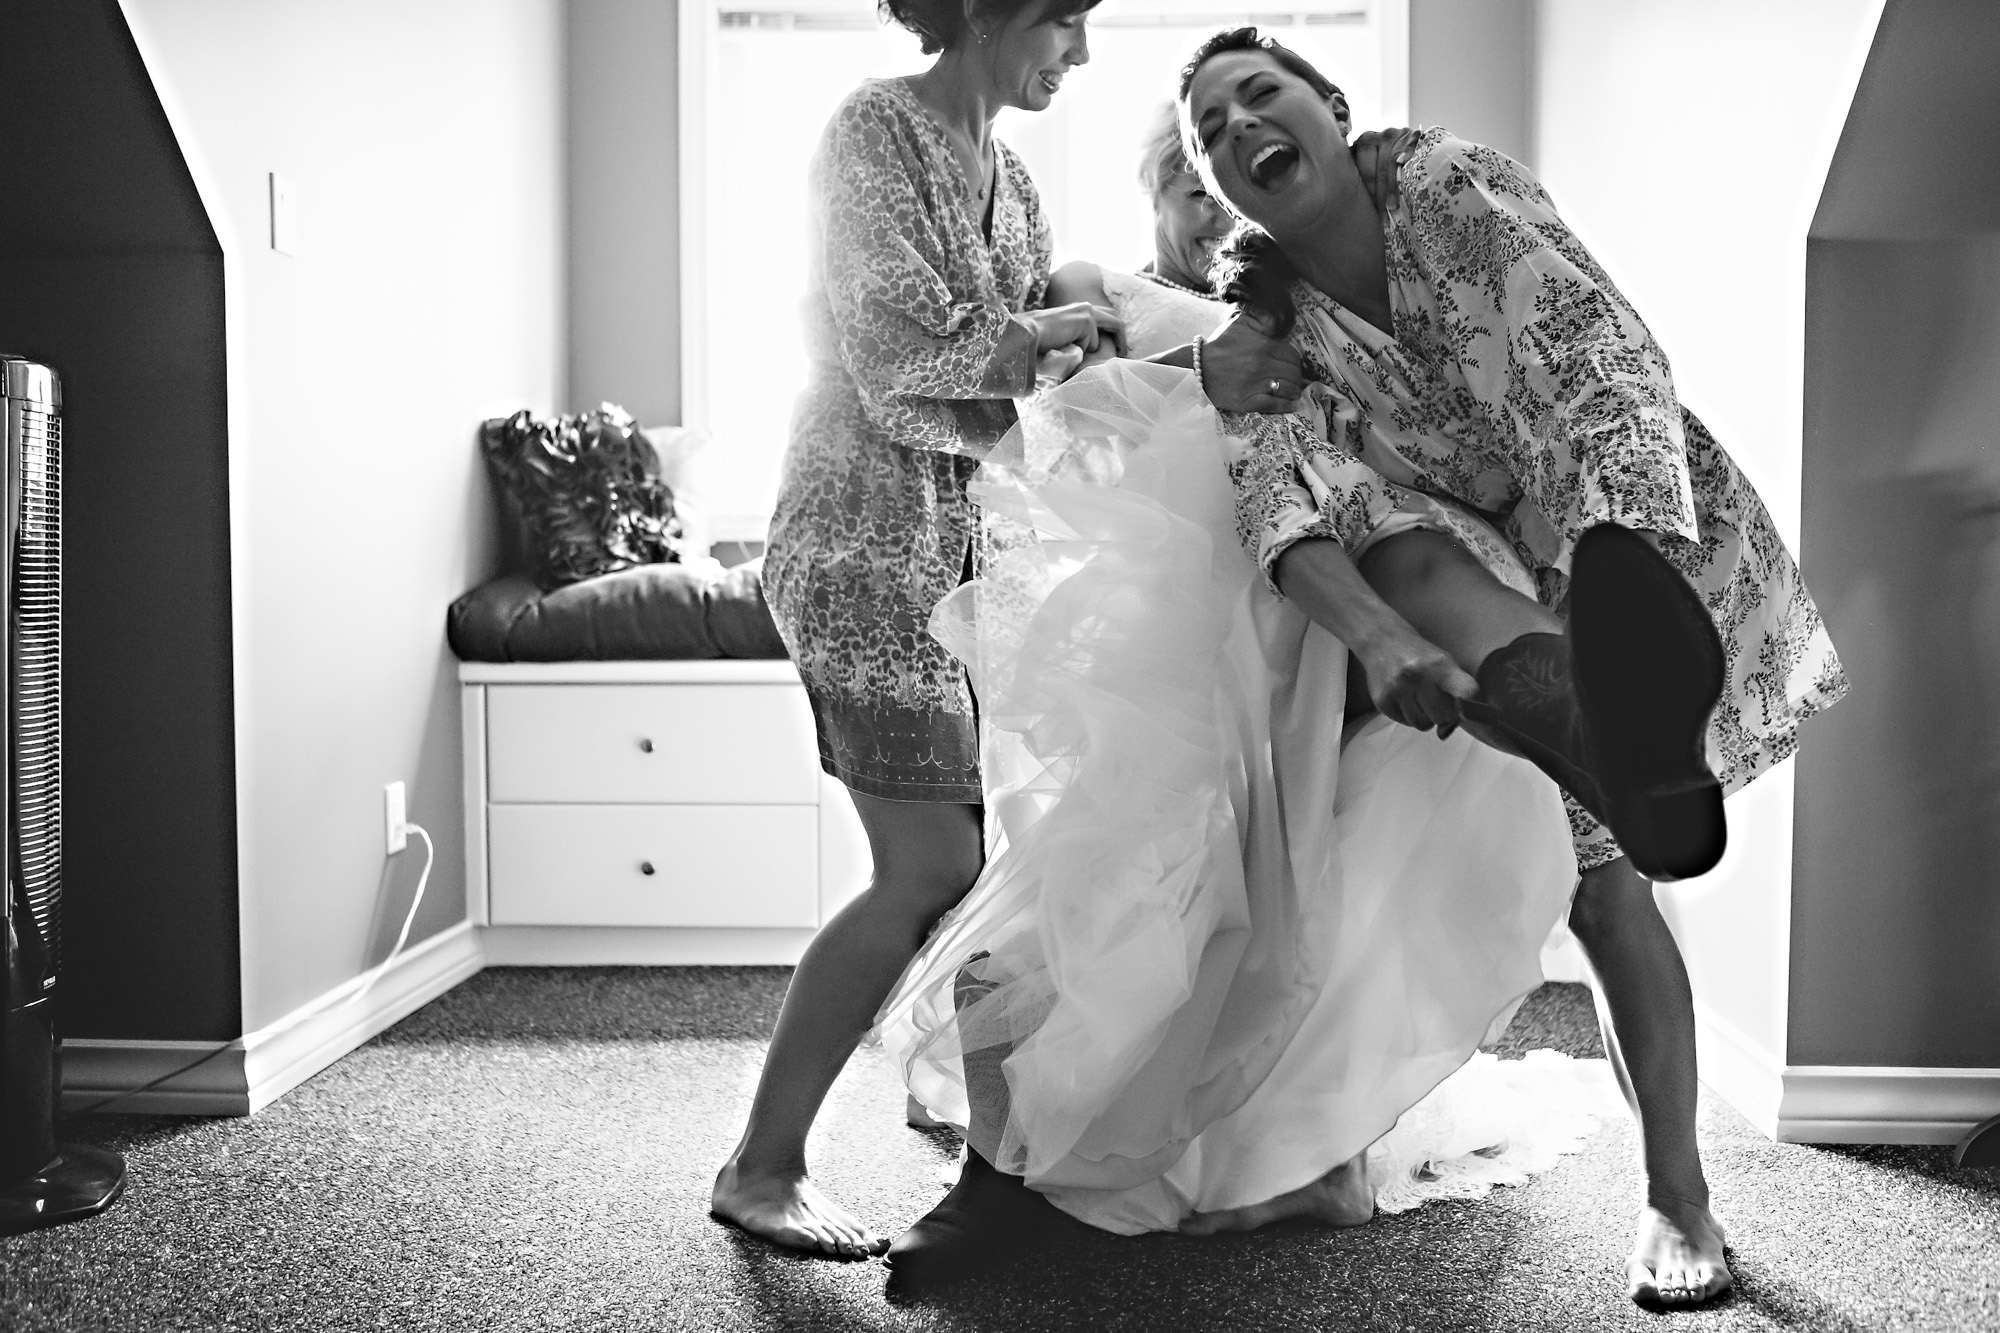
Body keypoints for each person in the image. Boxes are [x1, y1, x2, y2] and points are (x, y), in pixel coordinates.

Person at [875, 113, 1618, 1291]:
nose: (1210, 205)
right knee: (1092, 894)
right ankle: (991, 1178)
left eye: (1227, 190)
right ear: (1151, 190)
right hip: (1161, 637)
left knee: (1325, 881)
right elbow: (1051, 429)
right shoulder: (1097, 289)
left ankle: (1305, 1148)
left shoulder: (1307, 305)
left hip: (1310, 618)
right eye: (1185, 178)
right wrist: (1187, 369)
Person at [1176, 27, 1846, 1306]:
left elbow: (1599, 352)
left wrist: (1619, 548)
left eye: (1257, 94)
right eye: (1208, 130)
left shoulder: (1444, 188)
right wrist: (1381, 643)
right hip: (1469, 593)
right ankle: (1597, 732)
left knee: (1606, 903)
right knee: (1400, 550)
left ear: (1327, 104)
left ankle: (1678, 1200)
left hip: (1612, 535)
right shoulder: (1265, 328)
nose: (1235, 129)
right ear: (1219, 185)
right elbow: (1278, 496)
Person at [711, 0, 1301, 1259]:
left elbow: (1029, 393)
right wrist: (1051, 343)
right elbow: (894, 358)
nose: (1076, 56)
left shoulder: (1018, 183)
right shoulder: (874, 131)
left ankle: (999, 1177)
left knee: (998, 871)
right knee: (927, 871)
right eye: (1059, 21)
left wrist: (1108, 366)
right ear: (982, 9)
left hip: (970, 547)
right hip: (863, 541)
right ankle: (761, 1165)